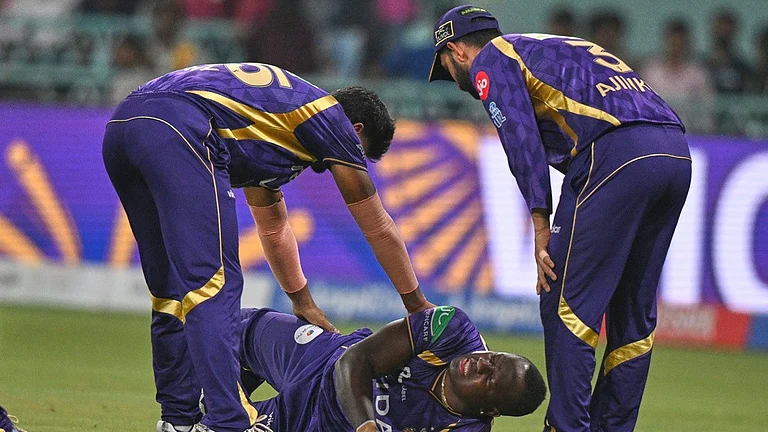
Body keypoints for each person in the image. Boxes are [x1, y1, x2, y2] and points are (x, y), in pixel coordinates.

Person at [103, 63, 432, 432]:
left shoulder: (275, 127)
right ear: (356, 132)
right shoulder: (332, 119)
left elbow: (273, 227)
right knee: (214, 285)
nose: (352, 162)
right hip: (181, 128)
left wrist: (302, 300)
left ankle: (178, 421)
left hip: (123, 125)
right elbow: (378, 226)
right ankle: (228, 423)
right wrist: (417, 306)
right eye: (361, 154)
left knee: (170, 293)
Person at [428, 6, 691, 432]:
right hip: (675, 152)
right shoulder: (551, 45)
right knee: (634, 314)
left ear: (456, 51)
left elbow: (520, 138)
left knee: (565, 298)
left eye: (442, 62)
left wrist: (538, 222)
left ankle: (566, 426)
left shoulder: (492, 59)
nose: (450, 75)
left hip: (614, 154)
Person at [227, 305, 545, 431]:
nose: (481, 364)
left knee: (215, 424)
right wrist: (366, 426)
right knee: (226, 332)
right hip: (320, 360)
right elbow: (355, 361)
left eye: (489, 378)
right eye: (495, 358)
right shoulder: (454, 330)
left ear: (490, 410)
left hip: (315, 425)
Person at [641, 18, 714, 132]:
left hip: (689, 134)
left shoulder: (697, 73)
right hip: (654, 132)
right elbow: (641, 105)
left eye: (680, 41)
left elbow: (707, 109)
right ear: (665, 41)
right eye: (673, 40)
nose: (676, 45)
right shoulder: (651, 71)